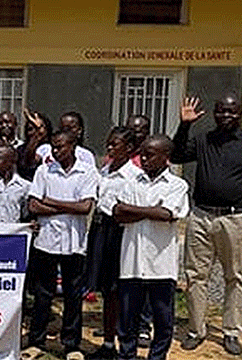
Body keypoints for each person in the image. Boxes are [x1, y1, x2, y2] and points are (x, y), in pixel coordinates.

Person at [172, 94, 242, 355]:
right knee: (195, 275)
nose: (226, 116)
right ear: (214, 113)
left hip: (235, 219)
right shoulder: (203, 140)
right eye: (221, 111)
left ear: (241, 113)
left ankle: (232, 332)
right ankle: (196, 330)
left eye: (232, 112)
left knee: (235, 276)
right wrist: (185, 125)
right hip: (200, 216)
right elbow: (177, 156)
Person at [112, 135, 190, 360]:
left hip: (161, 264)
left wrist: (134, 210)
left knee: (163, 319)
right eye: (142, 153)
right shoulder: (131, 182)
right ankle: (126, 355)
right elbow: (118, 214)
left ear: (166, 157)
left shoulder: (178, 185)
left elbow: (168, 214)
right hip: (132, 262)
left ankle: (157, 357)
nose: (143, 158)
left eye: (150, 154)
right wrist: (151, 211)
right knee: (128, 318)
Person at [23, 131, 98, 360]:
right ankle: (37, 340)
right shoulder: (44, 170)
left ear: (73, 146)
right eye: (54, 147)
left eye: (61, 147)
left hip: (74, 243)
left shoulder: (87, 172)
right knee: (43, 295)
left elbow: (85, 207)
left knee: (73, 295)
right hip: (46, 242)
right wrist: (68, 207)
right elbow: (34, 206)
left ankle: (71, 345)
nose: (56, 152)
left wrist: (51, 202)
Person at [86, 127, 142, 360]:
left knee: (121, 289)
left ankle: (127, 343)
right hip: (101, 230)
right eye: (108, 144)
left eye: (115, 144)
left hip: (119, 232)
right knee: (106, 289)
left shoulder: (134, 176)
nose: (109, 148)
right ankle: (108, 343)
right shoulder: (105, 171)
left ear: (129, 149)